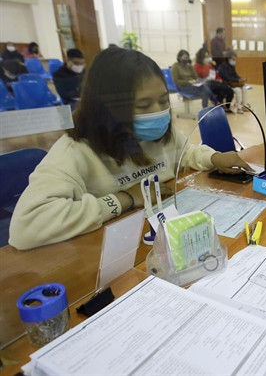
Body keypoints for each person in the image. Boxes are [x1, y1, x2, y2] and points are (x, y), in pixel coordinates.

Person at [9, 47, 252, 251]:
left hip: (164, 237)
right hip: (112, 249)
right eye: (144, 104)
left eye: (162, 101)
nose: (158, 112)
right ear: (107, 107)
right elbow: (26, 227)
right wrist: (126, 198)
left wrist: (214, 157)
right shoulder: (75, 151)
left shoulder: (161, 132)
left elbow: (185, 154)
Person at [193, 47, 234, 111]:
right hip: (205, 85)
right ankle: (218, 105)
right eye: (205, 57)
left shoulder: (209, 65)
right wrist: (206, 65)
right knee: (228, 89)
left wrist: (219, 79)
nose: (207, 58)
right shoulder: (197, 66)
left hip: (214, 84)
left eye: (207, 56)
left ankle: (222, 107)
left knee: (222, 92)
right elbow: (204, 74)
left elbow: (215, 74)